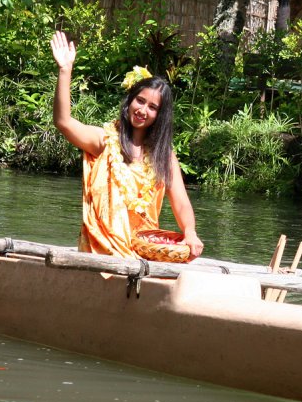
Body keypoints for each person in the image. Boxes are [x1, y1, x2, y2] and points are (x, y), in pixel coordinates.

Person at [50, 31, 204, 259]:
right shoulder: (104, 141)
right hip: (102, 249)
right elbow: (63, 122)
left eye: (152, 107)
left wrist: (190, 232)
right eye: (140, 101)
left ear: (160, 115)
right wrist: (65, 70)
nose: (143, 110)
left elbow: (181, 202)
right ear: (129, 101)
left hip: (143, 251)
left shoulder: (164, 156)